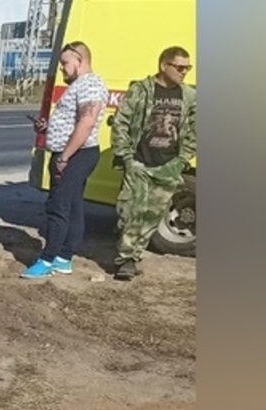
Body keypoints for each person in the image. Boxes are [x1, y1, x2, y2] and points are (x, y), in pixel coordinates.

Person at [22, 41, 109, 280]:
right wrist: (48, 127)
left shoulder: (90, 84)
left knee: (58, 207)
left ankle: (47, 259)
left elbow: (86, 122)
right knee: (73, 205)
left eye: (65, 63)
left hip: (76, 155)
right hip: (74, 153)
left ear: (80, 60)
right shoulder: (82, 85)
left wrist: (64, 157)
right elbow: (73, 120)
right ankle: (64, 258)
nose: (62, 69)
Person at [108, 46, 197, 280]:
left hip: (168, 166)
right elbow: (120, 123)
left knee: (152, 216)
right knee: (130, 213)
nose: (183, 72)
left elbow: (196, 129)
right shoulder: (141, 90)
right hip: (139, 163)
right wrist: (127, 157)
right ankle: (124, 260)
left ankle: (134, 257)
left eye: (187, 67)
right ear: (163, 65)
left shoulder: (188, 95)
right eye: (179, 67)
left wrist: (182, 159)